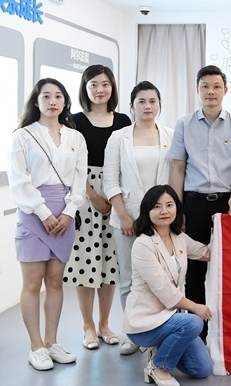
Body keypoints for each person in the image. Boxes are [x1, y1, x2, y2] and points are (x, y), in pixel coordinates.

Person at [7, 78, 87, 370]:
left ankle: (52, 342)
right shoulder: (22, 136)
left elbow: (80, 178)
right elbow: (19, 181)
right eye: (46, 96)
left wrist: (69, 211)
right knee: (32, 283)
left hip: (64, 215)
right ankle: (36, 347)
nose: (53, 101)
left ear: (65, 101)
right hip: (33, 214)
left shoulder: (75, 138)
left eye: (58, 96)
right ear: (36, 101)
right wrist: (43, 212)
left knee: (55, 281)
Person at [169, 65, 231, 342]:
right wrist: (177, 209)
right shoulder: (184, 124)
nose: (210, 91)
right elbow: (178, 168)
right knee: (194, 272)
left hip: (226, 205)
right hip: (194, 204)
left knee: (230, 269)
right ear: (198, 89)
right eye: (205, 86)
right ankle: (196, 335)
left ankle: (228, 333)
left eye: (216, 86)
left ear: (225, 90)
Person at [62, 65, 132, 350]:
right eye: (93, 84)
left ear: (112, 87)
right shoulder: (74, 121)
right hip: (84, 194)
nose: (100, 89)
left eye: (105, 84)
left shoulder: (123, 120)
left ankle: (104, 324)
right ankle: (88, 326)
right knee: (85, 261)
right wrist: (91, 195)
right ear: (85, 88)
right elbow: (71, 165)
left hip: (118, 192)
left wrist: (116, 199)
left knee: (111, 262)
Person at [102, 81, 173, 355]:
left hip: (162, 218)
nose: (147, 106)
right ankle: (132, 333)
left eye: (152, 101)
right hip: (128, 217)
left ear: (159, 104)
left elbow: (176, 176)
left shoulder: (170, 135)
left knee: (163, 276)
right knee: (129, 279)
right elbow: (110, 180)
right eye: (141, 101)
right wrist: (123, 215)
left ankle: (160, 330)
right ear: (132, 105)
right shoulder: (118, 137)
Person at [124, 185, 212, 385]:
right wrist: (195, 307)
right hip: (145, 322)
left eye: (169, 205)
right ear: (147, 211)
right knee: (194, 322)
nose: (164, 211)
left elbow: (206, 253)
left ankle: (161, 348)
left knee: (201, 369)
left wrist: (220, 231)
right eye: (157, 206)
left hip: (171, 319)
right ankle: (158, 367)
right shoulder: (143, 244)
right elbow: (165, 292)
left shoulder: (179, 237)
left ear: (177, 208)